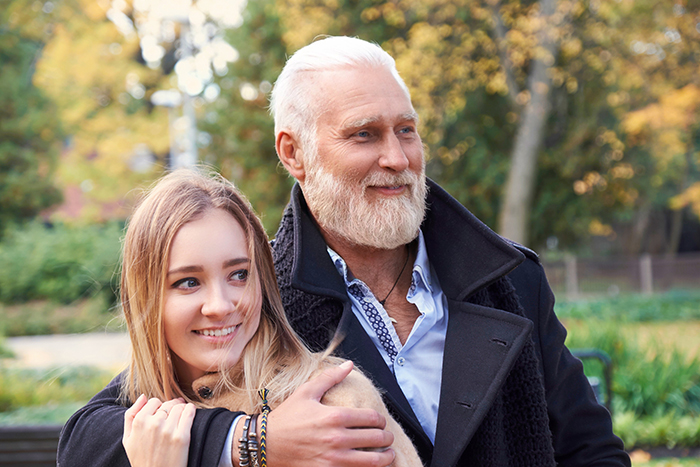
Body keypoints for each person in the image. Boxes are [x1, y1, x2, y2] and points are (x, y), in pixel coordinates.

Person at [59, 36, 631, 466]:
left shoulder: (509, 279)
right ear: (294, 154)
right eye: (365, 134)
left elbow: (591, 450)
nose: (397, 157)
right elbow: (92, 435)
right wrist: (253, 442)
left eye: (406, 130)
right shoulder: (253, 297)